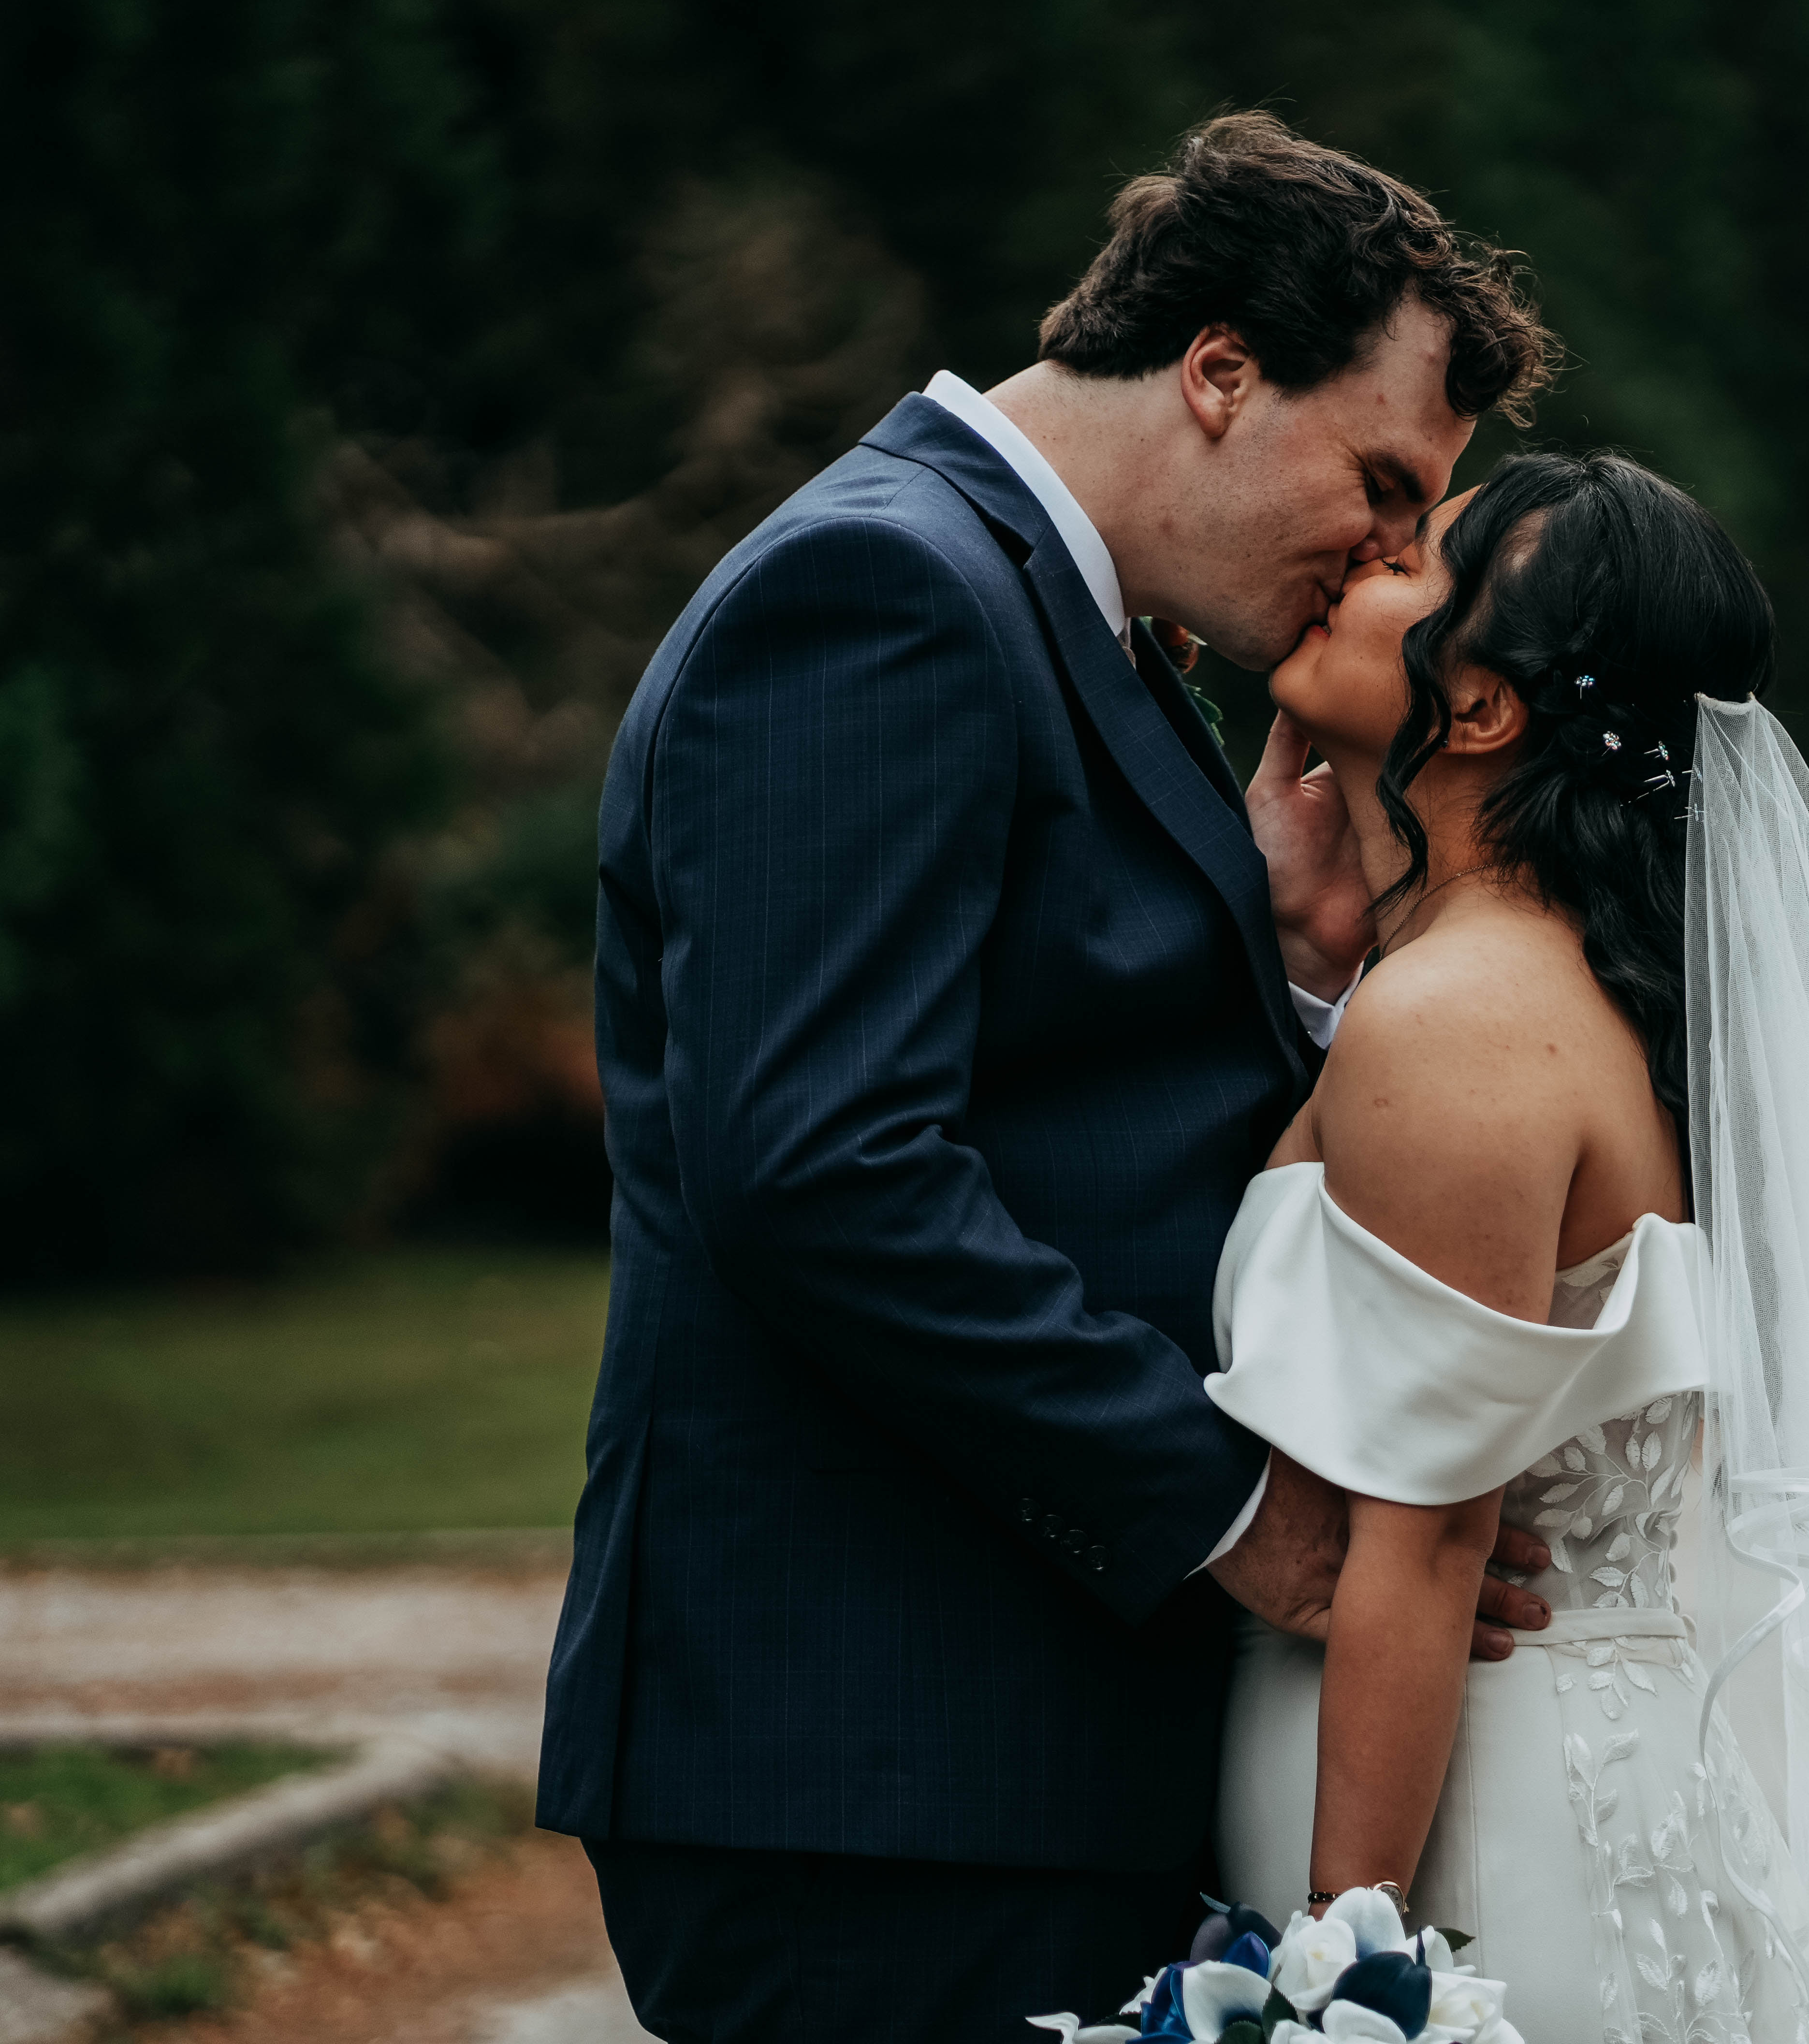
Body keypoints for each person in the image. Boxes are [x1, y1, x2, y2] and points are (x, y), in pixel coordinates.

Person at [536, 113, 1563, 2041]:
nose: (1404, 561)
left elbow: (1058, 1090)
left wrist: (1282, 958)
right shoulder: (882, 592)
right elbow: (821, 1168)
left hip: (986, 1749)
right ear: (1220, 370)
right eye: (1388, 481)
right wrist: (1237, 1510)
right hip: (877, 1765)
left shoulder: (1055, 614)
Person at [1202, 453, 1809, 2043]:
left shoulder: (1462, 1026)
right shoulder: (1549, 996)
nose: (1364, 554)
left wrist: (1340, 1978)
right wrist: (1319, 945)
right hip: (1573, 1771)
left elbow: (1423, 1545)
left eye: (1420, 555)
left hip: (1464, 1846)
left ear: (1482, 710)